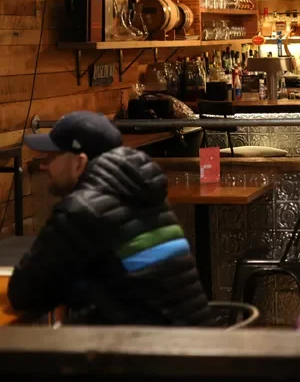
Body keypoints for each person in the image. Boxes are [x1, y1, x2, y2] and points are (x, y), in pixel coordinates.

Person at [8, 111, 212, 326]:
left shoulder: (82, 209)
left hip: (150, 344)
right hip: (198, 338)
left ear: (79, 163)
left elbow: (24, 293)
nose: (43, 166)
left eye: (52, 156)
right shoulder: (144, 194)